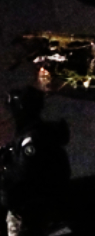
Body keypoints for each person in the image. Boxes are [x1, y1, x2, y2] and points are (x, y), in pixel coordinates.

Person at [0, 88, 70, 236]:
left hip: (32, 218)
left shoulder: (33, 140)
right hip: (37, 216)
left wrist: (5, 169)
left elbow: (24, 176)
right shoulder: (36, 135)